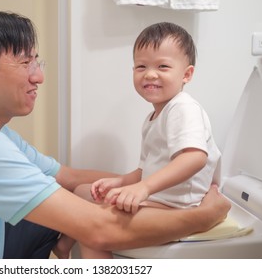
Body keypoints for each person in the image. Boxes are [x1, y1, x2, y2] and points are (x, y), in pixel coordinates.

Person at [0, 11, 229, 259]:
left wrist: (128, 183)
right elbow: (99, 230)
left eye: (38, 62)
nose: (39, 77)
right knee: (95, 225)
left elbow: (68, 177)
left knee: (79, 196)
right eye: (25, 63)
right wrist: (203, 216)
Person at [56, 22, 222, 258]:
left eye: (163, 66)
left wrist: (143, 189)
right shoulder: (154, 117)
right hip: (160, 197)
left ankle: (74, 247)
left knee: (93, 234)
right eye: (141, 66)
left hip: (178, 205)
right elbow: (146, 169)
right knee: (83, 192)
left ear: (187, 74)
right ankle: (63, 244)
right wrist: (122, 181)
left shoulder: (183, 109)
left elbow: (195, 158)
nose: (150, 73)